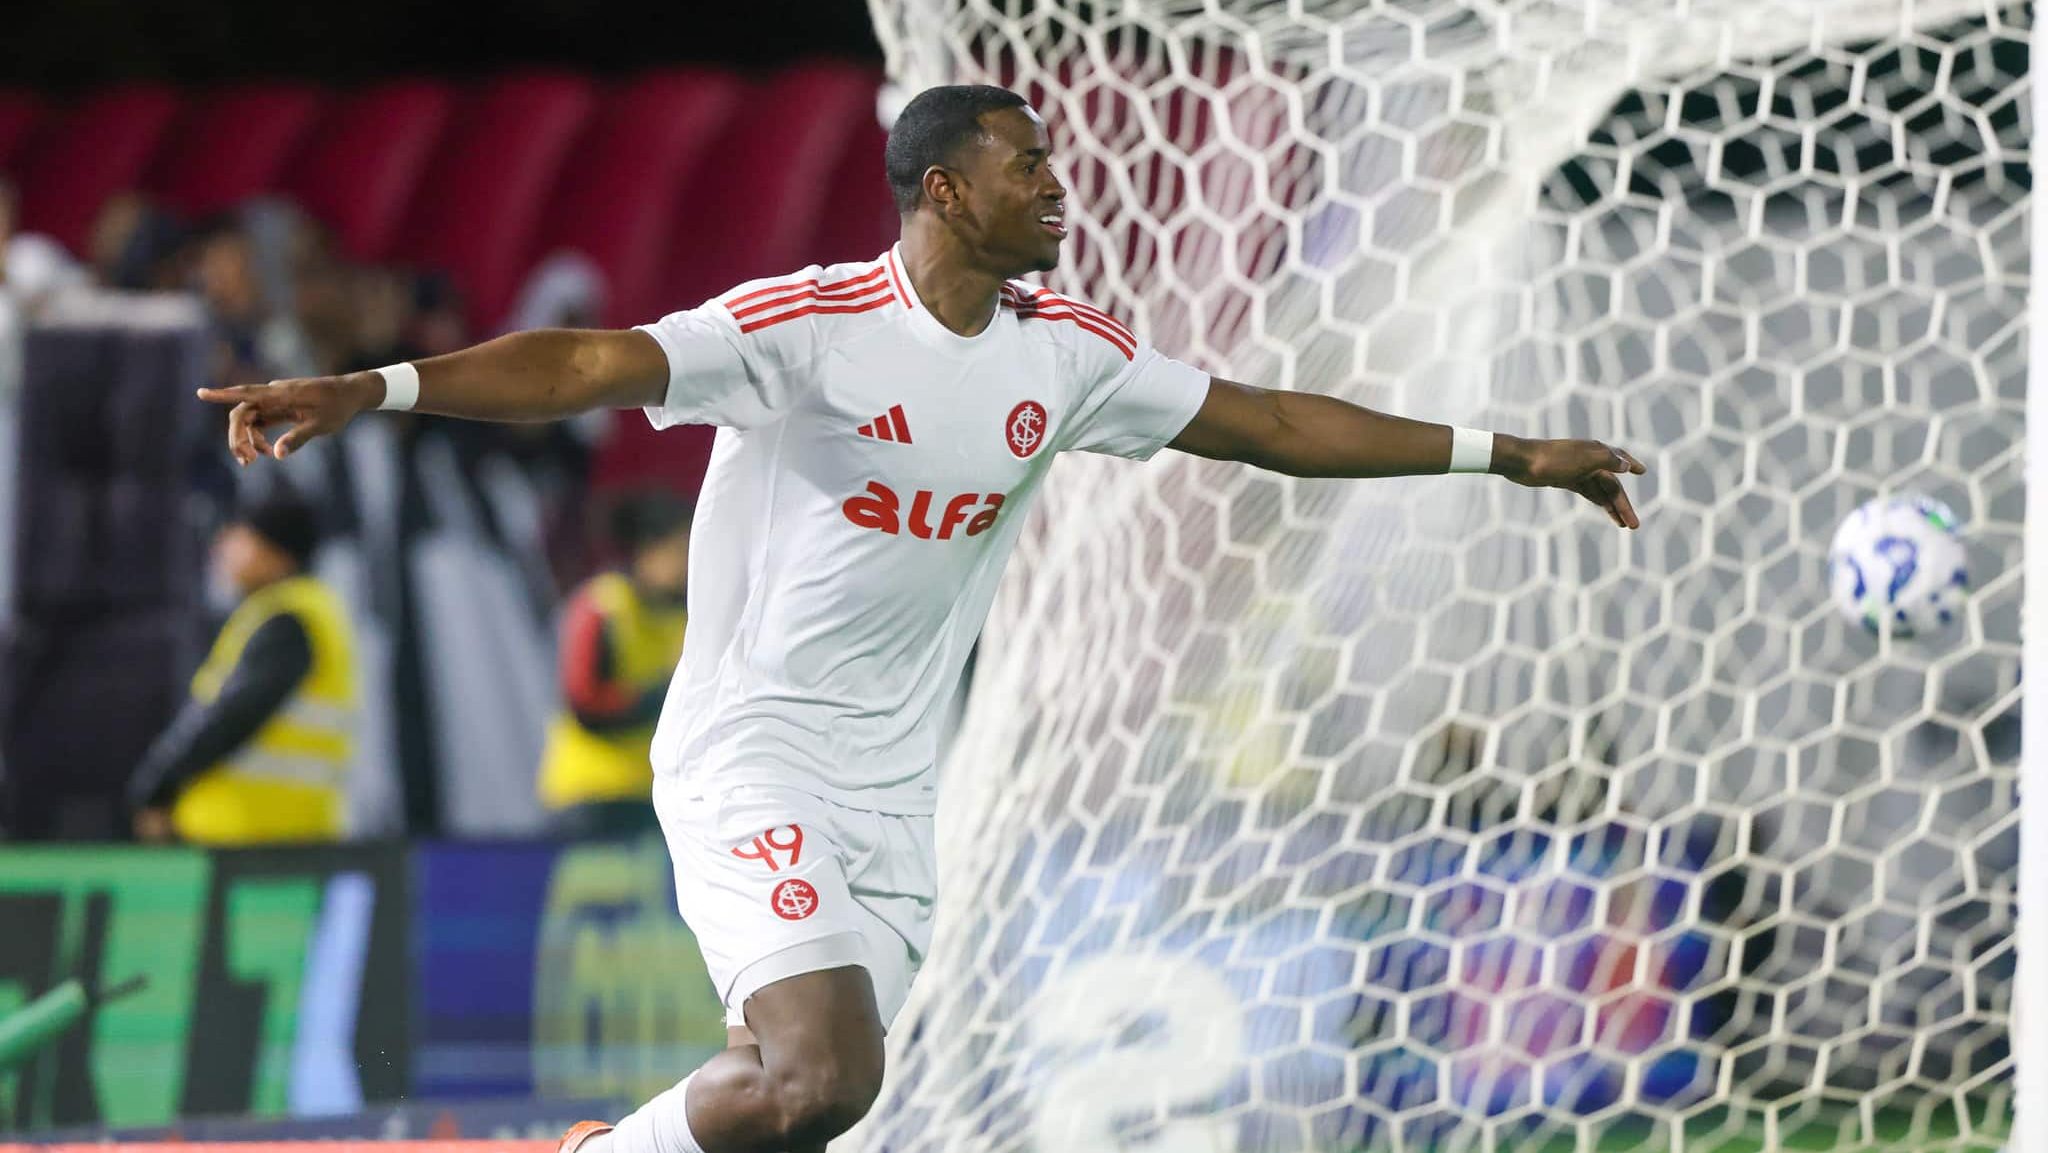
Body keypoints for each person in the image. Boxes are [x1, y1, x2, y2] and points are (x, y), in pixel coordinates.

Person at [199, 84, 1645, 1153]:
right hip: (753, 753)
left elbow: (1264, 422)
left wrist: (1506, 453)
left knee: (793, 1109)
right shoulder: (807, 327)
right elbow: (587, 361)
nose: (1058, 189)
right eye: (1029, 166)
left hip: (898, 791)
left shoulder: (1067, 356)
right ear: (946, 191)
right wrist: (373, 388)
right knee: (824, 1076)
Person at [129, 490, 359, 845]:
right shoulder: (299, 611)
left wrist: (157, 786)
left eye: (241, 537)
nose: (224, 548)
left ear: (277, 554)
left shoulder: (289, 618)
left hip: (254, 836)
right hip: (276, 831)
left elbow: (231, 716)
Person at [539, 492, 692, 837]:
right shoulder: (602, 605)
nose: (687, 563)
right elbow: (586, 704)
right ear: (648, 550)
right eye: (679, 550)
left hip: (654, 795)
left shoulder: (686, 615)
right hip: (590, 794)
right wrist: (661, 698)